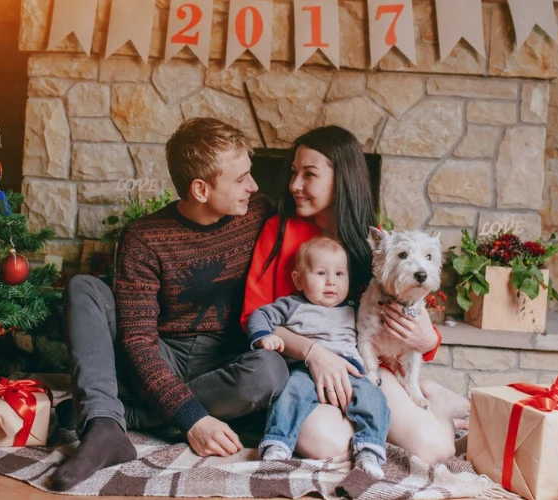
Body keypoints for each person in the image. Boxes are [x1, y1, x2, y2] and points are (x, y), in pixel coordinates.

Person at [51, 118, 290, 491]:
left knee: (271, 371)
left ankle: (120, 418)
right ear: (200, 189)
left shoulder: (260, 213)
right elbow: (138, 343)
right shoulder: (144, 237)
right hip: (162, 352)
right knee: (84, 288)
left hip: (226, 360)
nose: (253, 186)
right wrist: (194, 420)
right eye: (240, 178)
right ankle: (103, 423)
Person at [241, 125, 470, 465]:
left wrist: (428, 340)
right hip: (302, 370)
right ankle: (374, 422)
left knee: (436, 448)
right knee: (324, 443)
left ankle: (431, 397)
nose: (295, 185)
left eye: (309, 174)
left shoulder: (374, 242)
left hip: (363, 366)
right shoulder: (279, 232)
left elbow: (407, 305)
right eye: (294, 173)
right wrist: (313, 353)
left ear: (342, 178)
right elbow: (253, 317)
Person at [248, 236, 390, 479]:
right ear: (298, 280)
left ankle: (369, 449)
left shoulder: (355, 308)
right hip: (305, 370)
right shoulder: (292, 304)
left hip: (351, 370)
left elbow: (378, 329)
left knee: (374, 397)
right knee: (292, 392)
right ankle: (278, 442)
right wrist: (263, 336)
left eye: (339, 274)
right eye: (321, 273)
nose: (331, 282)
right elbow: (259, 315)